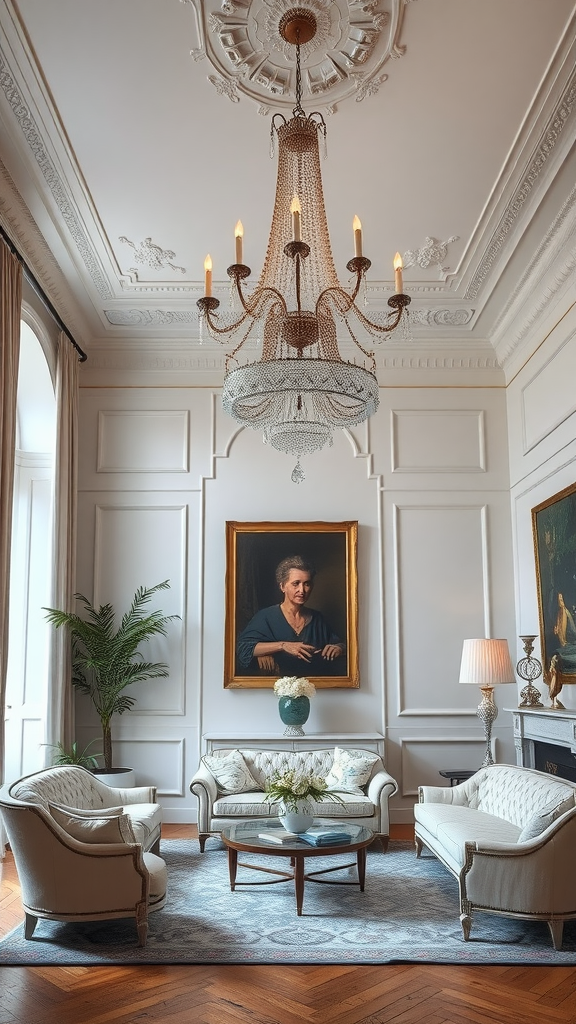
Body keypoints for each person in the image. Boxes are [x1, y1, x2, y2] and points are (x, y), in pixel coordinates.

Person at [236, 554, 346, 676]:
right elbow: (242, 648)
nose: (302, 590)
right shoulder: (265, 616)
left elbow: (340, 643)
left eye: (307, 584)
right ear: (282, 586)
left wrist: (339, 648)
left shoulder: (318, 619)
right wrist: (282, 646)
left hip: (314, 687)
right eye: (296, 583)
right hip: (275, 688)